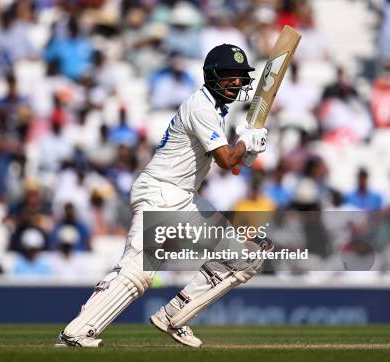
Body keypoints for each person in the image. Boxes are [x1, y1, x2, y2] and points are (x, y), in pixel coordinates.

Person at [56, 44, 271, 348]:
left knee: (243, 257)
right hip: (162, 193)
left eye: (240, 76)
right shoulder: (201, 106)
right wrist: (244, 145)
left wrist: (246, 150)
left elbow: (230, 162)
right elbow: (225, 160)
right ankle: (75, 333)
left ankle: (175, 315)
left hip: (182, 197)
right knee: (136, 272)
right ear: (212, 77)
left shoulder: (215, 110)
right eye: (229, 75)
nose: (236, 82)